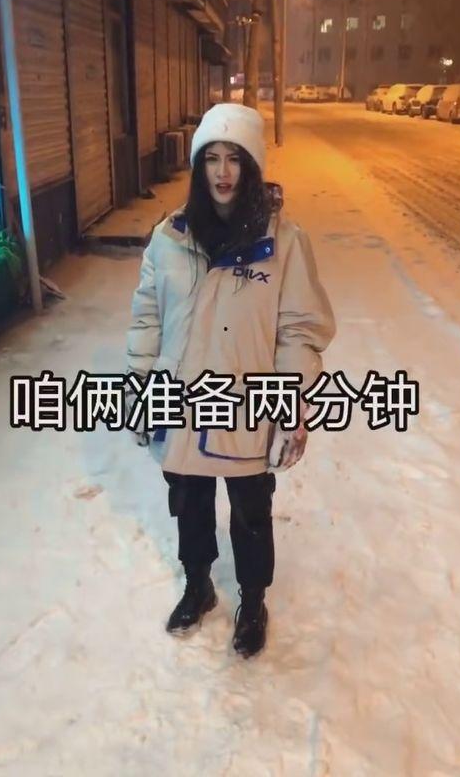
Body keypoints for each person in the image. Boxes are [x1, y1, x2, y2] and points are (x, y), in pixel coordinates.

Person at [126, 103, 335, 658]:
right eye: (211, 159)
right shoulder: (169, 238)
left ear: (252, 166)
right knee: (188, 500)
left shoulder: (283, 242)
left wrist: (291, 409)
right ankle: (198, 585)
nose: (222, 172)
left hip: (245, 405)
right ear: (198, 167)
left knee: (250, 510)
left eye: (234, 159)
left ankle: (253, 599)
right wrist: (139, 389)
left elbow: (299, 332)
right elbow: (147, 318)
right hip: (180, 399)